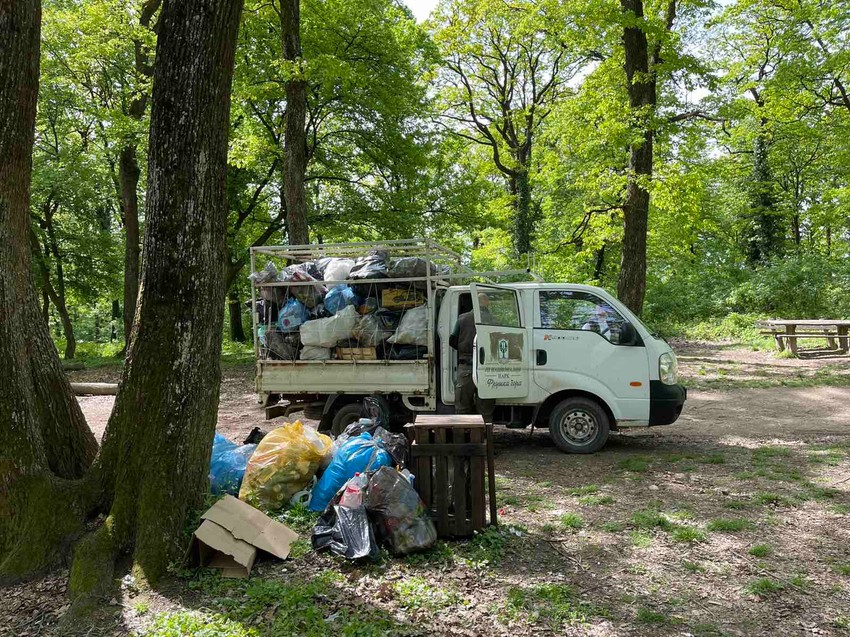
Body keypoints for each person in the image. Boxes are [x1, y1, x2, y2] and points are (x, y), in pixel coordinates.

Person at [449, 293, 491, 415]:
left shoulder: (462, 319)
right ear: (487, 303)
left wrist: (465, 350)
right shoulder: (493, 320)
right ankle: (485, 432)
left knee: (462, 407)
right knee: (486, 410)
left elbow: (452, 341)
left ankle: (463, 433)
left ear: (475, 303)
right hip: (488, 368)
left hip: (466, 366)